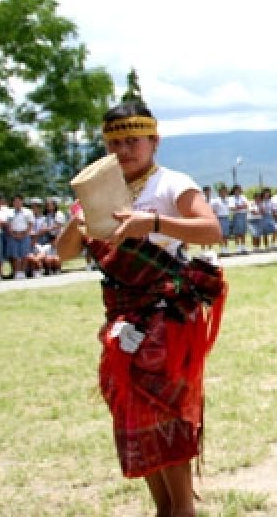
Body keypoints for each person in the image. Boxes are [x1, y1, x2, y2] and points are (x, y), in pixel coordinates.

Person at [56, 101, 227, 517]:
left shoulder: (172, 184)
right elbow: (64, 254)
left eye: (133, 140)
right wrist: (78, 218)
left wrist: (151, 224)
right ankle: (163, 508)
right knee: (133, 415)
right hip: (121, 319)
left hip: (166, 317)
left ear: (154, 140)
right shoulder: (99, 193)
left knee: (167, 416)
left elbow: (212, 231)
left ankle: (182, 509)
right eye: (115, 142)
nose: (124, 150)